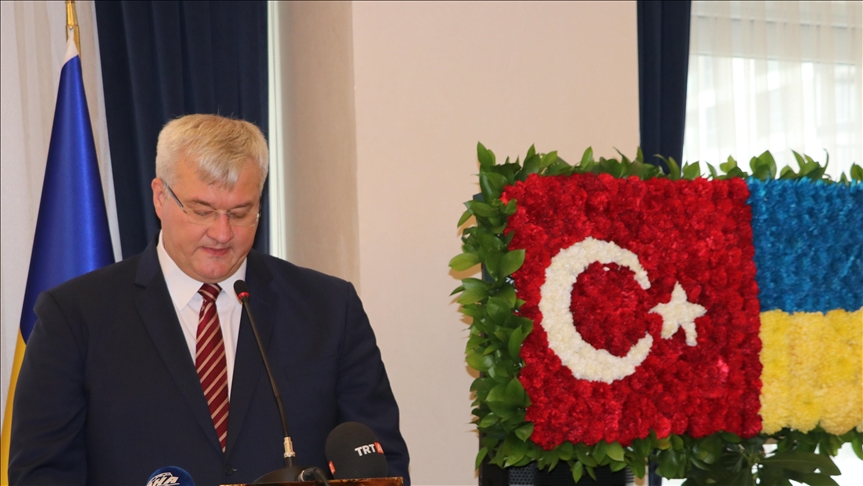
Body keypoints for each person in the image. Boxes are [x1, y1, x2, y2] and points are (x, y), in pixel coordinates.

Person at [9, 114, 410, 485]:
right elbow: (41, 474)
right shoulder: (76, 316)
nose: (221, 233)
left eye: (240, 212)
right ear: (160, 197)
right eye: (202, 211)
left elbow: (381, 464)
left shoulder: (328, 309)